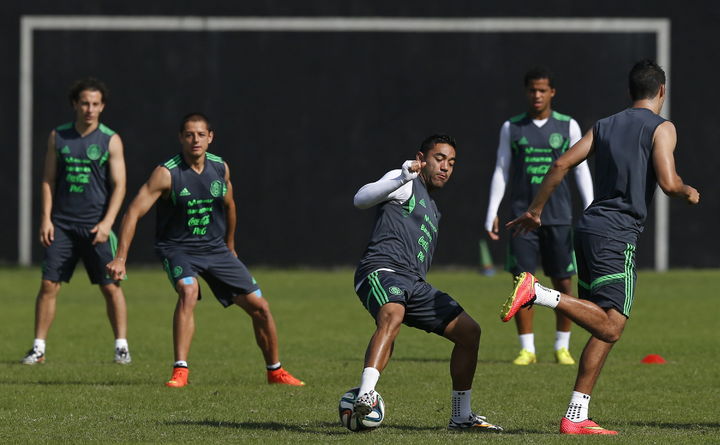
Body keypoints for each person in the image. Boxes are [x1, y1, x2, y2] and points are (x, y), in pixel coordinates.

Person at [501, 60, 700, 435]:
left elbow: (560, 164)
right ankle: (539, 293)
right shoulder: (662, 127)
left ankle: (576, 416)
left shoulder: (605, 125)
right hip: (617, 233)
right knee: (611, 326)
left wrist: (536, 210)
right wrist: (688, 191)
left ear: (630, 91)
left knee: (601, 324)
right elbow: (669, 182)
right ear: (661, 91)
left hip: (588, 228)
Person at [106, 112, 304, 388]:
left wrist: (230, 245)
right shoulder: (166, 173)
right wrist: (120, 257)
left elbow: (230, 206)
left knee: (261, 307)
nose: (195, 140)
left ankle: (275, 372)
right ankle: (180, 370)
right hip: (178, 249)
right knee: (189, 291)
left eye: (201, 134)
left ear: (210, 137)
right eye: (189, 135)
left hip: (215, 249)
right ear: (181, 138)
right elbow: (133, 212)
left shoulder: (220, 168)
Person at [351, 135, 503, 432]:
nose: (445, 167)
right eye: (439, 158)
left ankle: (461, 416)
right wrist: (402, 177)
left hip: (414, 283)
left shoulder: (433, 209)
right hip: (381, 269)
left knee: (469, 332)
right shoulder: (404, 181)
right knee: (393, 313)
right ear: (421, 158)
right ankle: (366, 393)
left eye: (451, 163)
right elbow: (361, 199)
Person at [485, 66, 594, 366]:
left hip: (558, 217)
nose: (537, 95)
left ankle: (562, 347)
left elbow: (580, 168)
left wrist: (590, 205)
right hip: (522, 218)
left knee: (564, 282)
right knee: (522, 282)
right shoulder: (512, 127)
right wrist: (492, 210)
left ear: (552, 92)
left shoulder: (567, 126)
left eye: (542, 90)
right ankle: (527, 349)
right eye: (532, 90)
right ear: (526, 92)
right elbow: (501, 169)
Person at [21, 78, 131, 365]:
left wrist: (107, 223)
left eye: (95, 104)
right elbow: (48, 180)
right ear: (75, 104)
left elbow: (120, 185)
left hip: (96, 227)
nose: (89, 109)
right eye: (84, 103)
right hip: (62, 225)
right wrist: (46, 219)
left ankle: (121, 347)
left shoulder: (110, 139)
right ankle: (38, 348)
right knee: (49, 285)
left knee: (110, 287)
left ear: (102, 106)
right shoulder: (58, 136)